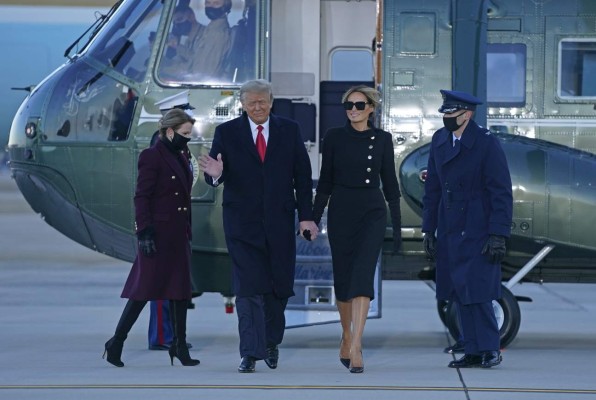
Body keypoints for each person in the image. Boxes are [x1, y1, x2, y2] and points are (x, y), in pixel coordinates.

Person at [198, 79, 319, 373]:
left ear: (271, 101)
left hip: (279, 221)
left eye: (262, 101)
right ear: (242, 104)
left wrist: (306, 216)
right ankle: (250, 353)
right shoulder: (226, 133)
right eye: (251, 102)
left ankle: (271, 344)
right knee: (249, 288)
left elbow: (302, 177)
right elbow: (215, 173)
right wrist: (215, 175)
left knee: (277, 287)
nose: (257, 107)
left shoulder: (289, 130)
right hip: (242, 224)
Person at [311, 85, 402, 374]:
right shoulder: (335, 137)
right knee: (344, 278)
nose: (353, 109)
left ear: (371, 108)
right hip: (341, 211)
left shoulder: (383, 139)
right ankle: (347, 334)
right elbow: (325, 182)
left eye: (359, 105)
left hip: (372, 212)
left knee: (363, 277)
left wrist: (397, 226)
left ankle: (357, 345)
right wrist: (312, 218)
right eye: (349, 105)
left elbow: (390, 183)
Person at [422, 89, 513, 369]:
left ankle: (489, 349)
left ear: (468, 115)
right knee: (459, 291)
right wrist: (429, 229)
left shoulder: (486, 143)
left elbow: (501, 191)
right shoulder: (440, 140)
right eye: (446, 113)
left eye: (453, 113)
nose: (448, 118)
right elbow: (433, 188)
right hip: (450, 228)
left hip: (478, 228)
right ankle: (471, 349)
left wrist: (498, 234)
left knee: (479, 291)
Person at [103, 108, 200, 368]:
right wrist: (144, 231)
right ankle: (116, 343)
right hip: (157, 235)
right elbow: (141, 196)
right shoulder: (152, 156)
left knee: (180, 292)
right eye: (184, 133)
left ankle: (179, 346)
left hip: (178, 234)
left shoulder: (180, 155)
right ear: (169, 132)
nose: (188, 138)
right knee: (143, 292)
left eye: (190, 134)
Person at [160, 0, 232, 81]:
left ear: (226, 6)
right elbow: (195, 61)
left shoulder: (216, 34)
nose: (210, 7)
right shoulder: (210, 30)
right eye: (208, 3)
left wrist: (166, 72)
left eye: (216, 3)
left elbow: (201, 75)